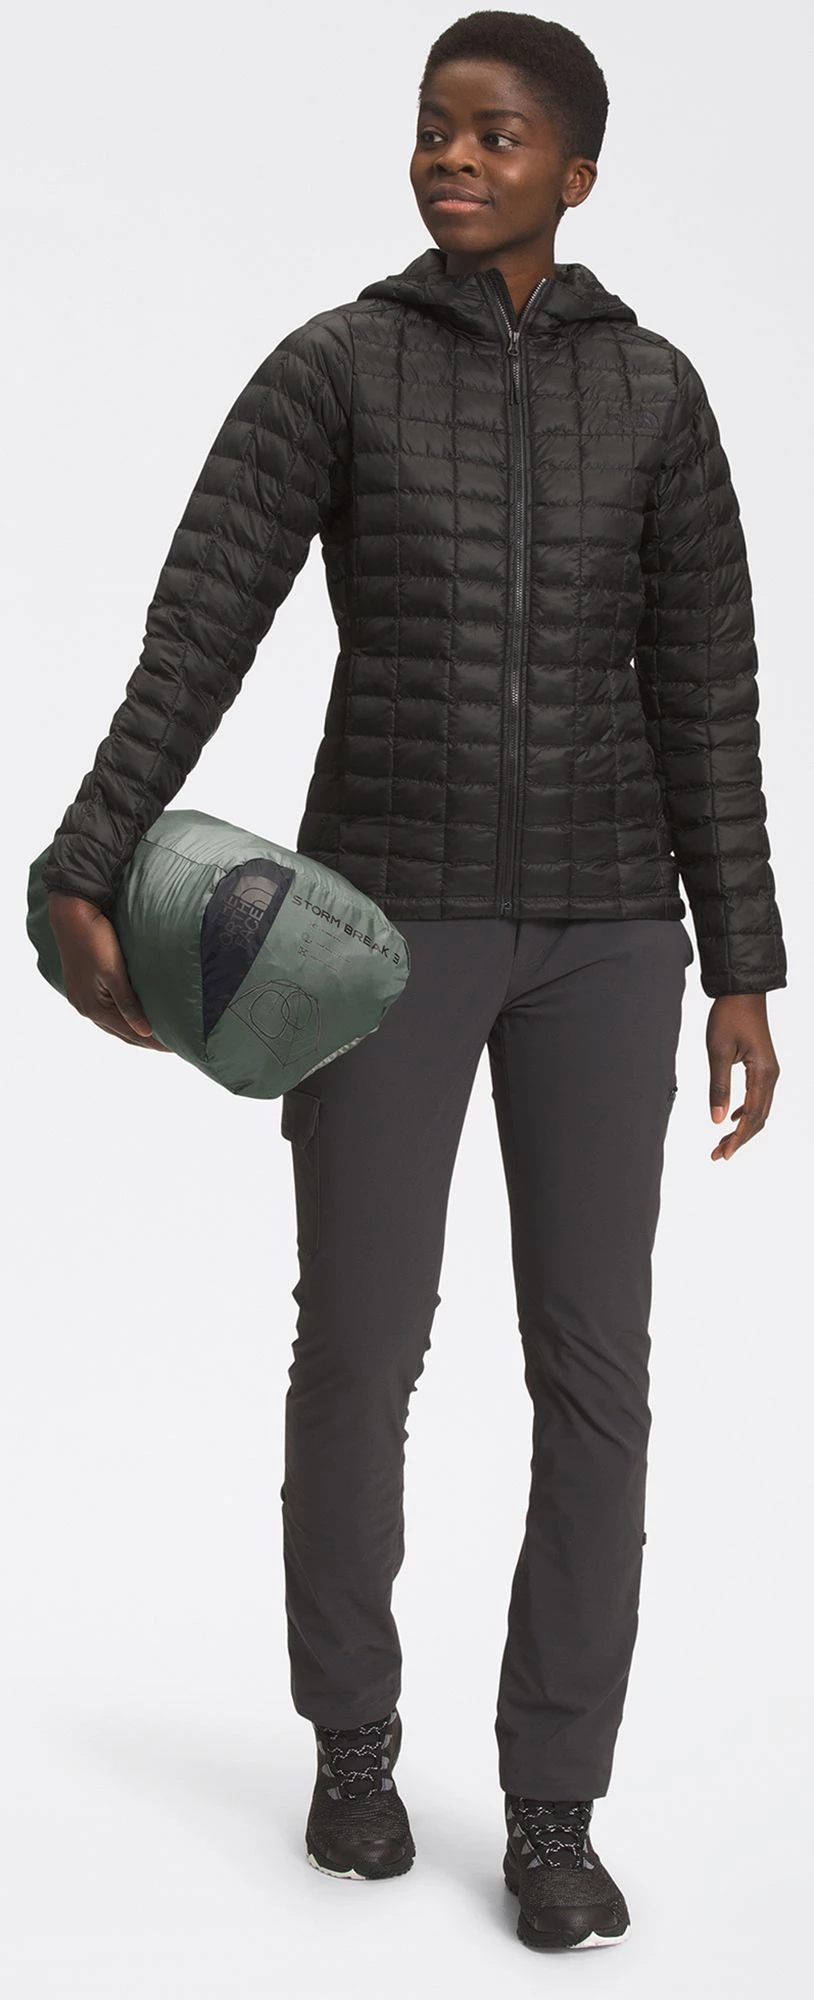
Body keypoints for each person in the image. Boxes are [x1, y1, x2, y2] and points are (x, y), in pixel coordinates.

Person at [43, 10, 786, 1954]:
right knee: (361, 1347)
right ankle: (353, 1746)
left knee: (594, 1370)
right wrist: (81, 859)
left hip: (608, 935)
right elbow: (199, 623)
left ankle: (553, 1806)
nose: (453, 157)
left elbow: (705, 689)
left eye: (496, 133)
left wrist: (739, 961)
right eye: (433, 128)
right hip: (373, 937)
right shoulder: (337, 367)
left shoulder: (655, 395)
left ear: (576, 172)